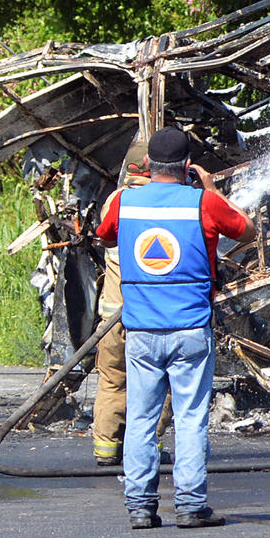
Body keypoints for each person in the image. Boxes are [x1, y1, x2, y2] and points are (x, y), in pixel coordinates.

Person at [95, 127, 255, 529]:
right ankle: (189, 504)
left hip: (142, 331)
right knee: (189, 419)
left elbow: (105, 234)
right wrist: (212, 189)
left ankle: (140, 507)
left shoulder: (125, 203)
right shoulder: (204, 203)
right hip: (190, 329)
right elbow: (248, 232)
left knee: (142, 419)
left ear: (147, 165)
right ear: (188, 165)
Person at [92, 136, 171, 464]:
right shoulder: (167, 200)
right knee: (159, 380)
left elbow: (104, 235)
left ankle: (106, 450)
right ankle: (148, 448)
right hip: (151, 313)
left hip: (113, 313)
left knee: (112, 380)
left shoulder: (115, 200)